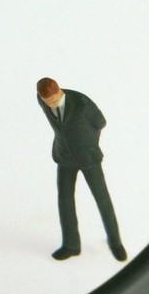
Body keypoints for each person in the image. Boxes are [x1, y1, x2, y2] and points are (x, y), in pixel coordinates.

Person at [35, 77, 127, 261]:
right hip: (64, 157)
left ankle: (115, 242)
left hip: (88, 158)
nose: (52, 104)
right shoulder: (41, 100)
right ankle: (71, 245)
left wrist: (89, 145)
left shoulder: (82, 104)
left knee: (102, 198)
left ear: (60, 91)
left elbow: (100, 122)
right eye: (48, 102)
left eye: (54, 100)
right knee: (65, 200)